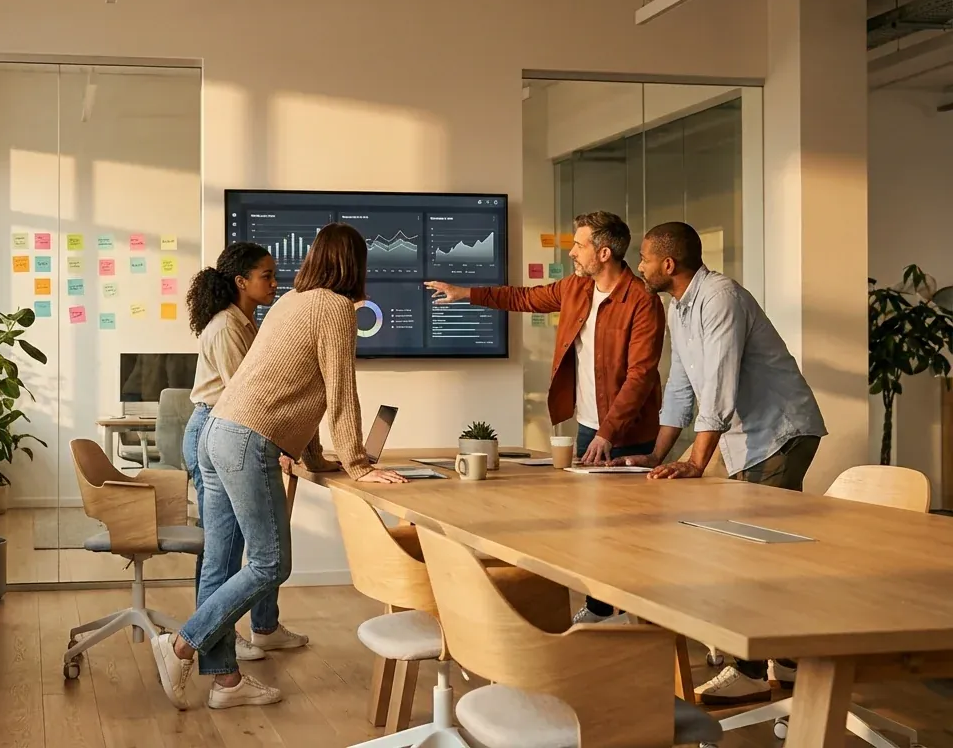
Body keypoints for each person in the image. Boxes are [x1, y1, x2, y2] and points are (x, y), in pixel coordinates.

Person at [151, 223, 407, 711]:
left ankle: (225, 682)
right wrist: (356, 463)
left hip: (217, 434)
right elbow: (338, 389)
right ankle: (183, 644)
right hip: (247, 440)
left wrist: (316, 458)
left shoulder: (292, 301)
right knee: (271, 562)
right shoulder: (334, 308)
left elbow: (294, 389)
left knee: (223, 563)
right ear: (355, 265)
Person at [622, 220, 827, 705]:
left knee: (753, 552)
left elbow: (718, 386)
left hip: (780, 433)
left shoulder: (719, 297)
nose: (641, 265)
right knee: (753, 549)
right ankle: (792, 662)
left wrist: (695, 463)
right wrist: (657, 453)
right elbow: (681, 385)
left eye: (646, 258)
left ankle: (754, 670)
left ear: (668, 264)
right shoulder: (679, 306)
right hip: (746, 440)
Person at [426, 210, 665, 624]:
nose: (572, 252)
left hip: (627, 432)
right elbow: (523, 297)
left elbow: (641, 376)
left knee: (628, 535)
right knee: (592, 528)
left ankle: (634, 617)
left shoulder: (640, 301)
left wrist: (609, 432)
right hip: (590, 425)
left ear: (603, 252)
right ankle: (599, 609)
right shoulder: (576, 288)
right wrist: (465, 293)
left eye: (579, 245)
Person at [183, 241, 308, 663]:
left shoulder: (246, 322)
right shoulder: (226, 327)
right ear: (241, 281)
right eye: (266, 276)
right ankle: (213, 640)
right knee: (226, 552)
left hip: (232, 429)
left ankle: (263, 627)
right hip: (220, 429)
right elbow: (250, 397)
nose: (275, 283)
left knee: (259, 542)